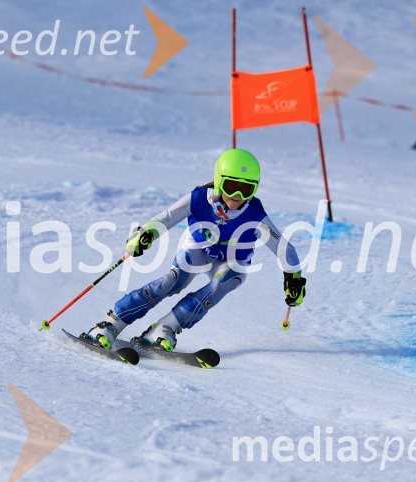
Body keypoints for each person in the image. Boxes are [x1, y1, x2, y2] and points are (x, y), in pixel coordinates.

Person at [84, 148, 307, 351]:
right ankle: (112, 322)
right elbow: (167, 217)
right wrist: (145, 234)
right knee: (172, 282)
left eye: (246, 189)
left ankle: (166, 327)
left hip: (231, 261)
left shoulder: (255, 214)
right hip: (198, 248)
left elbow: (283, 247)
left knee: (226, 280)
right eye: (232, 187)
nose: (237, 196)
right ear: (219, 182)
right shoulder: (200, 198)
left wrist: (293, 277)